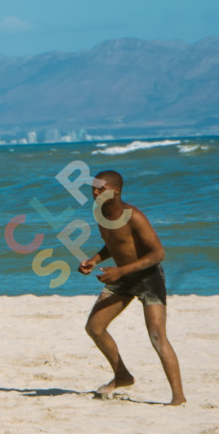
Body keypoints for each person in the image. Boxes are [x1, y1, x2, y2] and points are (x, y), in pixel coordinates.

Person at [79, 169, 186, 405]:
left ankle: (178, 398)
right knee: (95, 327)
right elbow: (114, 243)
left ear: (116, 191)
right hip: (122, 278)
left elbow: (158, 253)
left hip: (148, 278)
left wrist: (121, 271)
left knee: (158, 336)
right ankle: (122, 375)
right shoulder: (99, 213)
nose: (95, 192)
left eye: (101, 189)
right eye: (93, 188)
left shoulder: (133, 216)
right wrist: (94, 260)